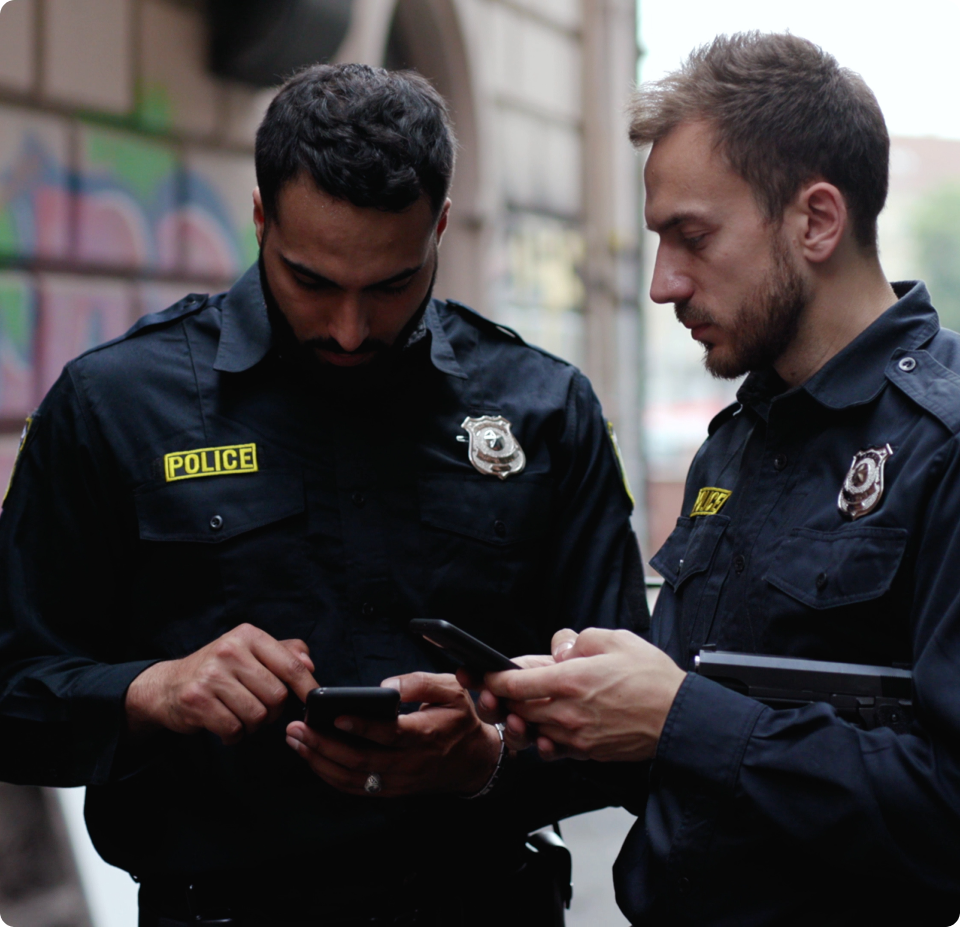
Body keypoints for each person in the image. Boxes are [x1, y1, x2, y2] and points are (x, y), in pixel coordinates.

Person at [0, 64, 648, 926]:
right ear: (262, 216)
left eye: (390, 284)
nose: (350, 329)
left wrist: (486, 758)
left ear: (441, 228)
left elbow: (636, 719)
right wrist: (153, 690)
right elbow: (14, 695)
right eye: (312, 281)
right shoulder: (115, 404)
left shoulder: (544, 408)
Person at [483, 32, 960, 926]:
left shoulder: (945, 445)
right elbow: (689, 759)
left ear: (816, 220)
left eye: (691, 236)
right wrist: (524, 731)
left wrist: (679, 717)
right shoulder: (738, 440)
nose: (663, 282)